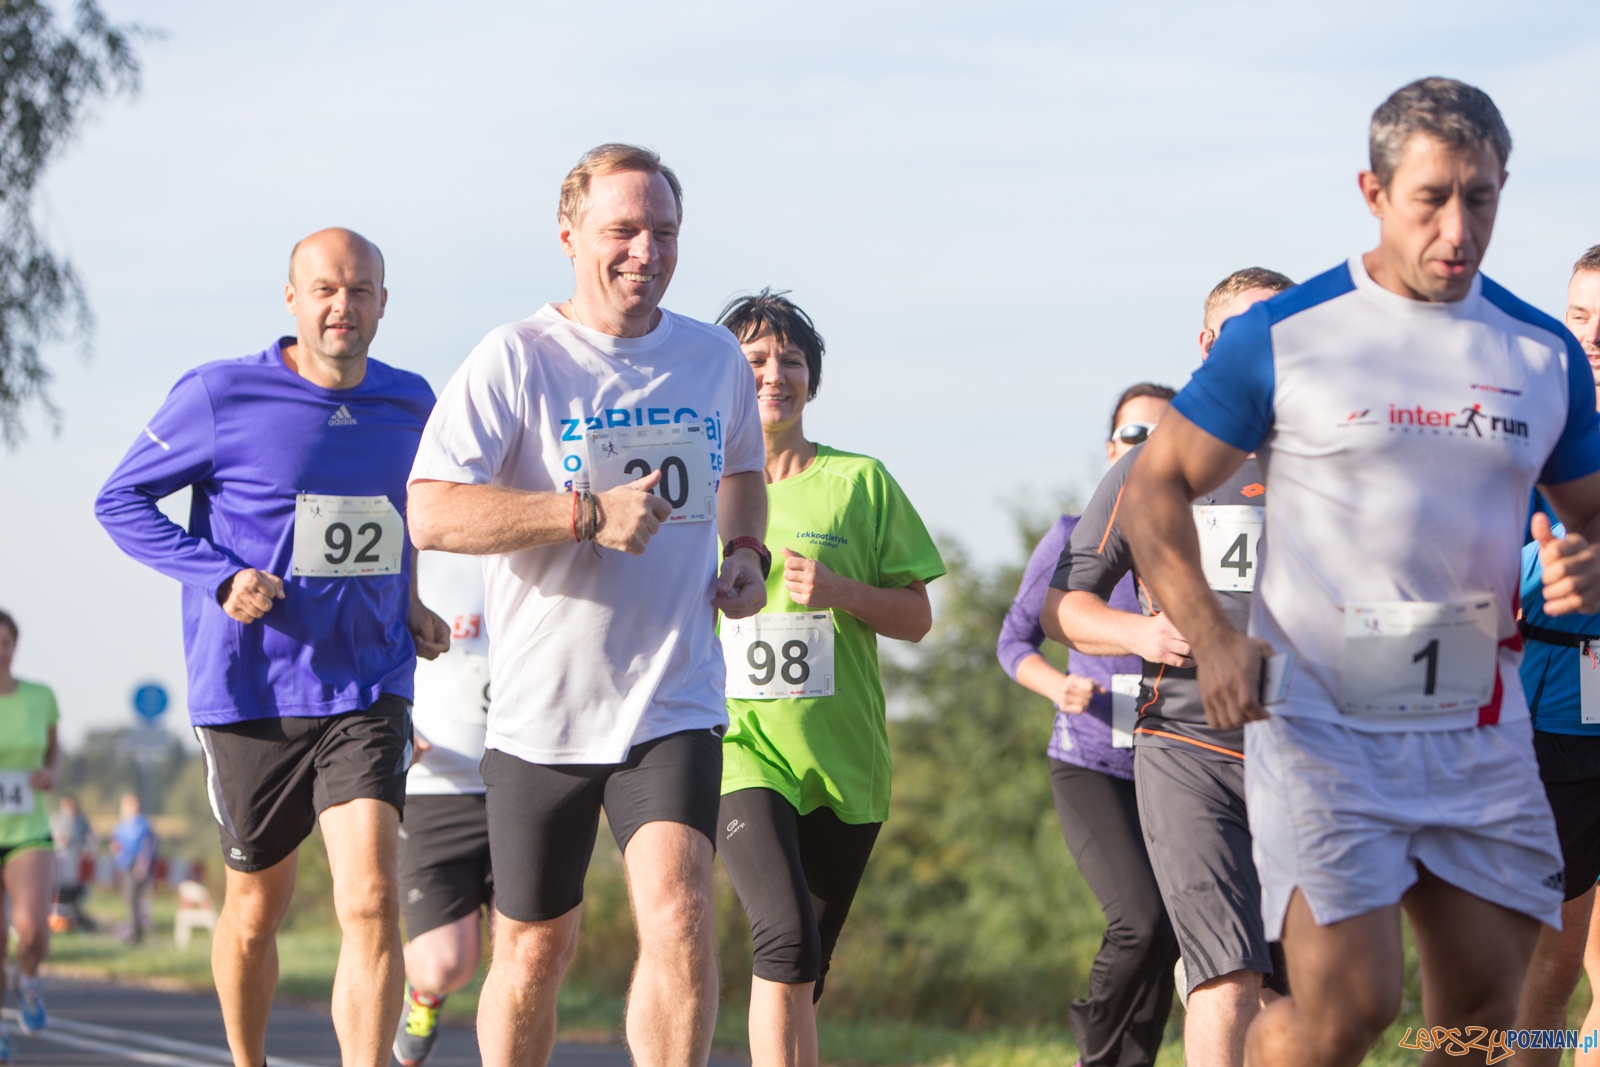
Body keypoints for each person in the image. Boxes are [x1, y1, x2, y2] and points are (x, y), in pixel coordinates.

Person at [1119, 79, 1600, 1067]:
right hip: (1322, 723)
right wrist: (1213, 633)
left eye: (1482, 197)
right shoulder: (1286, 335)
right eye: (1431, 197)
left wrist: (1588, 563)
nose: (1457, 227)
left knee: (1483, 1012)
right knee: (1351, 1005)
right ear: (1372, 192)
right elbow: (1152, 490)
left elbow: (1591, 511)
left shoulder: (1542, 351)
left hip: (1477, 724)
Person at [406, 143, 768, 1067]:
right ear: (570, 237)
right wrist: (581, 514)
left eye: (664, 232)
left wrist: (747, 553)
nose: (645, 250)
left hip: (672, 694)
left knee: (682, 911)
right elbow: (431, 509)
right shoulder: (516, 359)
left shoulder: (713, 355)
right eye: (624, 230)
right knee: (534, 949)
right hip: (542, 713)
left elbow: (742, 472)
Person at [95, 228, 448, 1067]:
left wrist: (411, 598)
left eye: (361, 291)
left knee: (368, 898)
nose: (343, 306)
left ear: (383, 304)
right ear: (292, 299)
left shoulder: (412, 402)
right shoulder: (222, 394)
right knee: (256, 906)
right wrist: (219, 576)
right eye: (325, 289)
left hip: (367, 681)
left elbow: (407, 517)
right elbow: (120, 500)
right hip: (251, 690)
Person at [1043, 268, 1294, 1067]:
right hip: (1189, 749)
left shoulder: (1330, 456)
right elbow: (1063, 607)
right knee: (1227, 976)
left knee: (1308, 999)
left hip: (1309, 755)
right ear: (1207, 344)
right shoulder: (1153, 465)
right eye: (1242, 330)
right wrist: (1137, 634)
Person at [713, 290, 944, 1067]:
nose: (774, 375)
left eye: (791, 361)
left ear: (813, 379)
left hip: (844, 763)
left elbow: (917, 619)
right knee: (781, 937)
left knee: (804, 967)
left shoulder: (860, 481)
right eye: (753, 361)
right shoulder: (699, 486)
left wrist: (843, 591)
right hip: (740, 749)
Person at [997, 383, 1179, 1067]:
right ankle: (1098, 1053)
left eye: (1162, 437)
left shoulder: (1195, 541)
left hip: (1174, 760)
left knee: (1171, 927)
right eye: (1134, 437)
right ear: (1111, 450)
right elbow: (1014, 641)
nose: (1146, 449)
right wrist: (1057, 684)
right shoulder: (1072, 535)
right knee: (1140, 919)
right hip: (1092, 763)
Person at [1508, 244, 1600, 1065]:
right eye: (1579, 317)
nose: (1595, 337)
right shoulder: (1535, 432)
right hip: (1553, 720)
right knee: (1554, 956)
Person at [392, 551, 493, 1067]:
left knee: (532, 947)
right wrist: (395, 727)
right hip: (435, 788)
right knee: (446, 962)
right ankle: (423, 996)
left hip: (525, 780)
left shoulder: (542, 535)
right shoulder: (412, 549)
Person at [0, 609, 60, 1054]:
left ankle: (29, 980)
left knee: (32, 928)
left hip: (28, 828)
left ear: (14, 646)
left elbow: (54, 753)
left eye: (5, 641)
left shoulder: (40, 696)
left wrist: (50, 774)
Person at [109, 792, 157, 944]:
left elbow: (147, 846)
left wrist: (143, 865)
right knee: (128, 897)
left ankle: (136, 933)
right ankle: (134, 928)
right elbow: (116, 842)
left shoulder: (142, 824)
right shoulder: (122, 825)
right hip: (125, 865)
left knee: (133, 898)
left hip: (136, 866)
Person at [51, 794, 96, 932]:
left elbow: (91, 841)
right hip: (60, 863)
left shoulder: (82, 821)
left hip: (77, 863)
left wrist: (87, 851)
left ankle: (76, 920)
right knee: (59, 894)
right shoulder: (56, 819)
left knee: (76, 895)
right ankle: (59, 919)